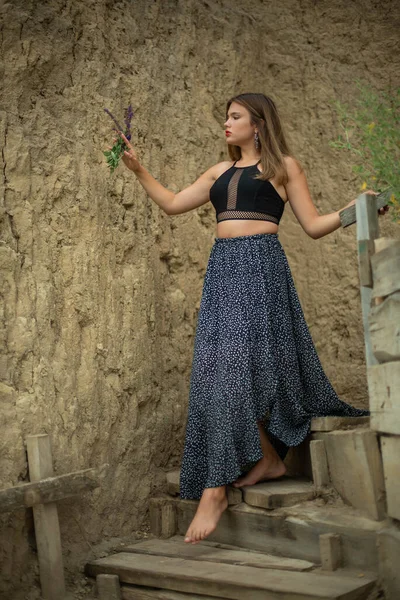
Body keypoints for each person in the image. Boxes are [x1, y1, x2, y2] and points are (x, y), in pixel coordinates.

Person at [112, 93, 389, 547]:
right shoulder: (219, 173)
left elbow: (314, 225)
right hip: (223, 271)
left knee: (237, 373)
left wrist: (355, 210)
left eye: (235, 116)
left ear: (258, 124)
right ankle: (269, 459)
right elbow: (173, 203)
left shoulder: (284, 168)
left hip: (261, 271)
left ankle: (215, 489)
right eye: (226, 116)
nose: (227, 123)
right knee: (220, 373)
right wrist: (139, 169)